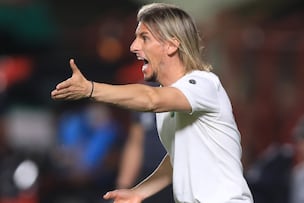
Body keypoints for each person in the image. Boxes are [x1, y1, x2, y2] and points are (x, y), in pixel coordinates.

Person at [51, 3, 253, 203]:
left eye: (144, 38)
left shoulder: (204, 83)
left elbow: (151, 100)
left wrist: (90, 89)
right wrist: (139, 192)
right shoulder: (168, 100)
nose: (133, 46)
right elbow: (177, 158)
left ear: (172, 45)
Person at [117, 110, 174, 203]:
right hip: (150, 178)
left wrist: (91, 94)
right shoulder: (141, 103)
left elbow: (152, 101)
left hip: (183, 177)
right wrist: (123, 186)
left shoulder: (186, 99)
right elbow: (135, 142)